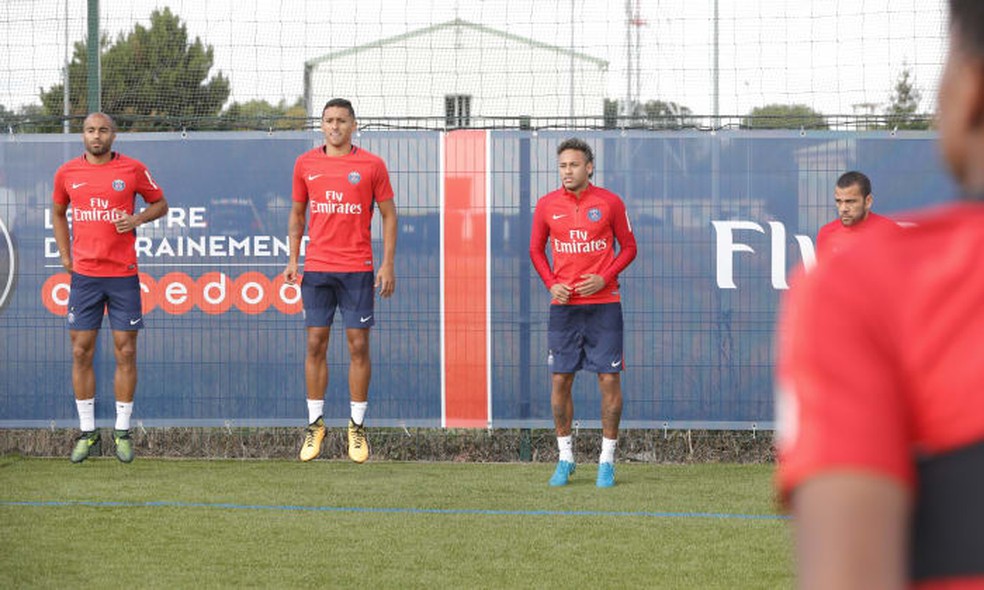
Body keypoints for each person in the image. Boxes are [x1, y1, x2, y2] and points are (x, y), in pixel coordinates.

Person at [776, 1, 984, 586]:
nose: (842, 209)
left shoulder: (869, 282)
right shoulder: (836, 260)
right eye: (837, 201)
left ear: (966, 92)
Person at [283, 98, 397, 464]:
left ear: (353, 125)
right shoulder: (305, 164)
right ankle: (315, 425)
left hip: (358, 269)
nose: (335, 126)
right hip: (317, 268)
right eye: (329, 120)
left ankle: (357, 427)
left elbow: (389, 215)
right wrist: (292, 258)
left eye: (342, 121)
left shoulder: (371, 165)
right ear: (322, 126)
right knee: (315, 343)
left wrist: (387, 264)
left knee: (358, 346)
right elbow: (298, 214)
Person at [51, 112, 169, 464]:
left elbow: (160, 203)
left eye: (102, 130)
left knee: (126, 352)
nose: (96, 135)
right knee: (80, 352)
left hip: (123, 275)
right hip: (85, 277)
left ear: (113, 135)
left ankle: (122, 431)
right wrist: (65, 255)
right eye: (90, 130)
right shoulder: (67, 172)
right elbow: (58, 212)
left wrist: (136, 219)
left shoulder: (132, 169)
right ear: (83, 135)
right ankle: (88, 434)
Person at [529, 138, 637, 488]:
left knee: (608, 379)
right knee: (561, 379)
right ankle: (565, 458)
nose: (567, 171)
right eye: (562, 166)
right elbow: (535, 250)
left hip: (604, 306)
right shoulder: (547, 205)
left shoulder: (610, 203)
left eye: (574, 165)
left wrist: (604, 277)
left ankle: (606, 461)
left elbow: (630, 247)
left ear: (589, 167)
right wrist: (550, 283)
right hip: (564, 308)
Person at [815, 170, 898, 258]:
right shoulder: (826, 233)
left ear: (868, 201)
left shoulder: (890, 231)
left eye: (850, 202)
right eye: (838, 201)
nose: (843, 209)